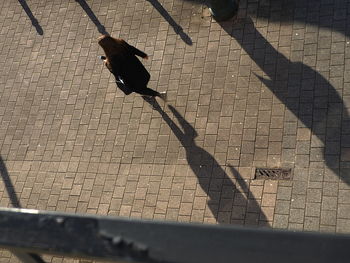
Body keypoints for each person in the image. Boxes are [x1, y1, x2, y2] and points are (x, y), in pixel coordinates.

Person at [97, 35, 166, 100]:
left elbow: (116, 73)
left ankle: (159, 95)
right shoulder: (121, 43)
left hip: (132, 80)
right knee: (143, 86)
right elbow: (132, 49)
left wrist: (107, 64)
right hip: (141, 72)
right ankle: (148, 92)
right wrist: (143, 55)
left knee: (140, 90)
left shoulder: (111, 61)